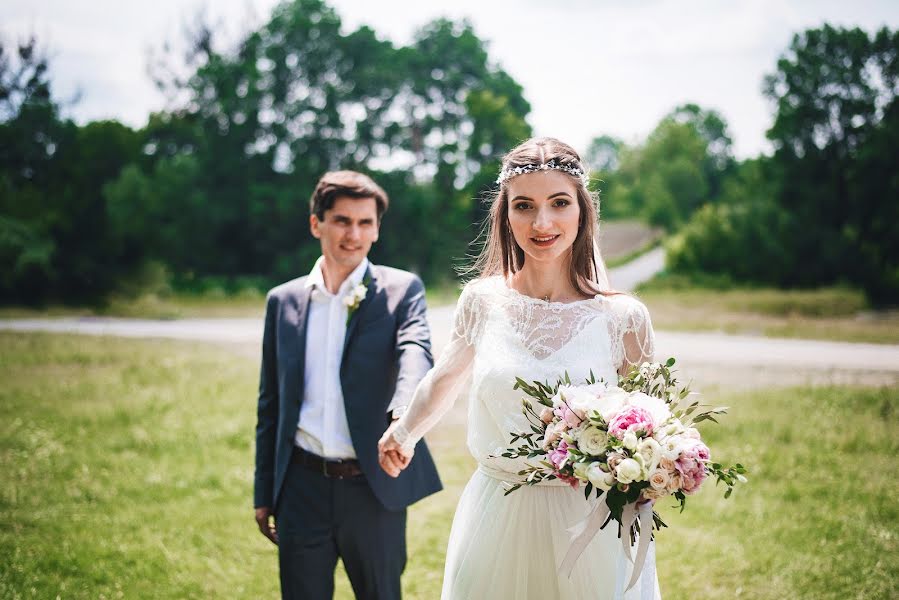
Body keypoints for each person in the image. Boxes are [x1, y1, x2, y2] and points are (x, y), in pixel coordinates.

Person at [378, 138, 662, 599]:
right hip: (499, 514)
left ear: (582, 212)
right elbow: (445, 376)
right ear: (505, 215)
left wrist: (652, 472)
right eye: (524, 206)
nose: (542, 222)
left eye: (559, 203)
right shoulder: (481, 302)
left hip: (589, 522)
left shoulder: (623, 318)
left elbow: (651, 420)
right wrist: (403, 432)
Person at [254, 170, 443, 600]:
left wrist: (403, 416)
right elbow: (270, 405)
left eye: (365, 223)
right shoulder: (281, 302)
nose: (353, 234)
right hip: (300, 488)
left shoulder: (401, 290)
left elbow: (416, 350)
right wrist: (264, 491)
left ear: (377, 229)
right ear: (316, 223)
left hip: (372, 487)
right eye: (341, 220)